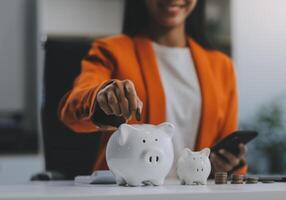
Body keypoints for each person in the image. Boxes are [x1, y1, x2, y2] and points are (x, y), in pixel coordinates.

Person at [59, 0, 247, 176]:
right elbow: (70, 111)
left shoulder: (222, 67)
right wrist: (101, 97)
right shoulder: (111, 51)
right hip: (126, 194)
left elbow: (229, 163)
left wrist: (223, 165)